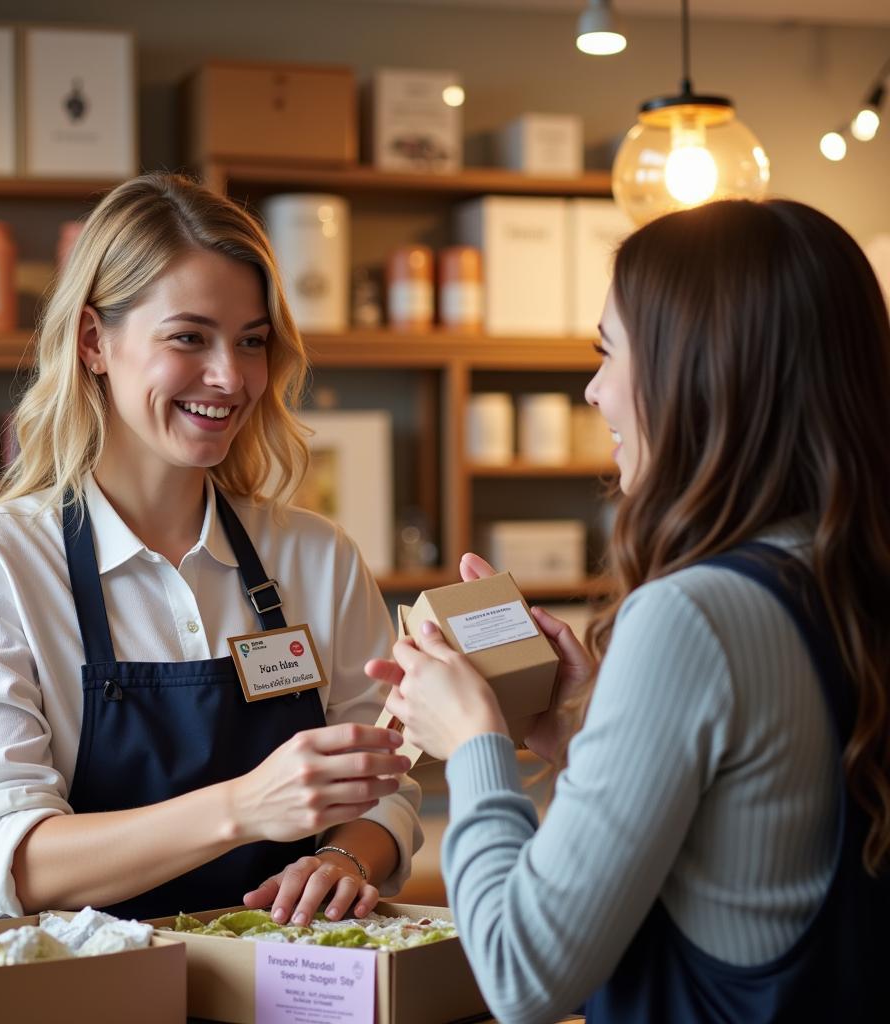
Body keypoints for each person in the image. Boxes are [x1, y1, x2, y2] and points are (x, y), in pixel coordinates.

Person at [367, 199, 890, 1021]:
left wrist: (474, 743)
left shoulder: (693, 616)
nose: (593, 389)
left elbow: (521, 974)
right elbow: (760, 848)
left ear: (701, 374)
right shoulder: (849, 578)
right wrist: (579, 726)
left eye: (609, 353)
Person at [0, 172, 421, 924]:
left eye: (251, 342)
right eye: (189, 337)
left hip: (286, 981)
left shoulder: (317, 556)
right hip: (87, 991)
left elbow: (385, 786)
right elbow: (9, 857)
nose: (230, 377)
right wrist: (243, 807)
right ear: (93, 342)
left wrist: (342, 857)